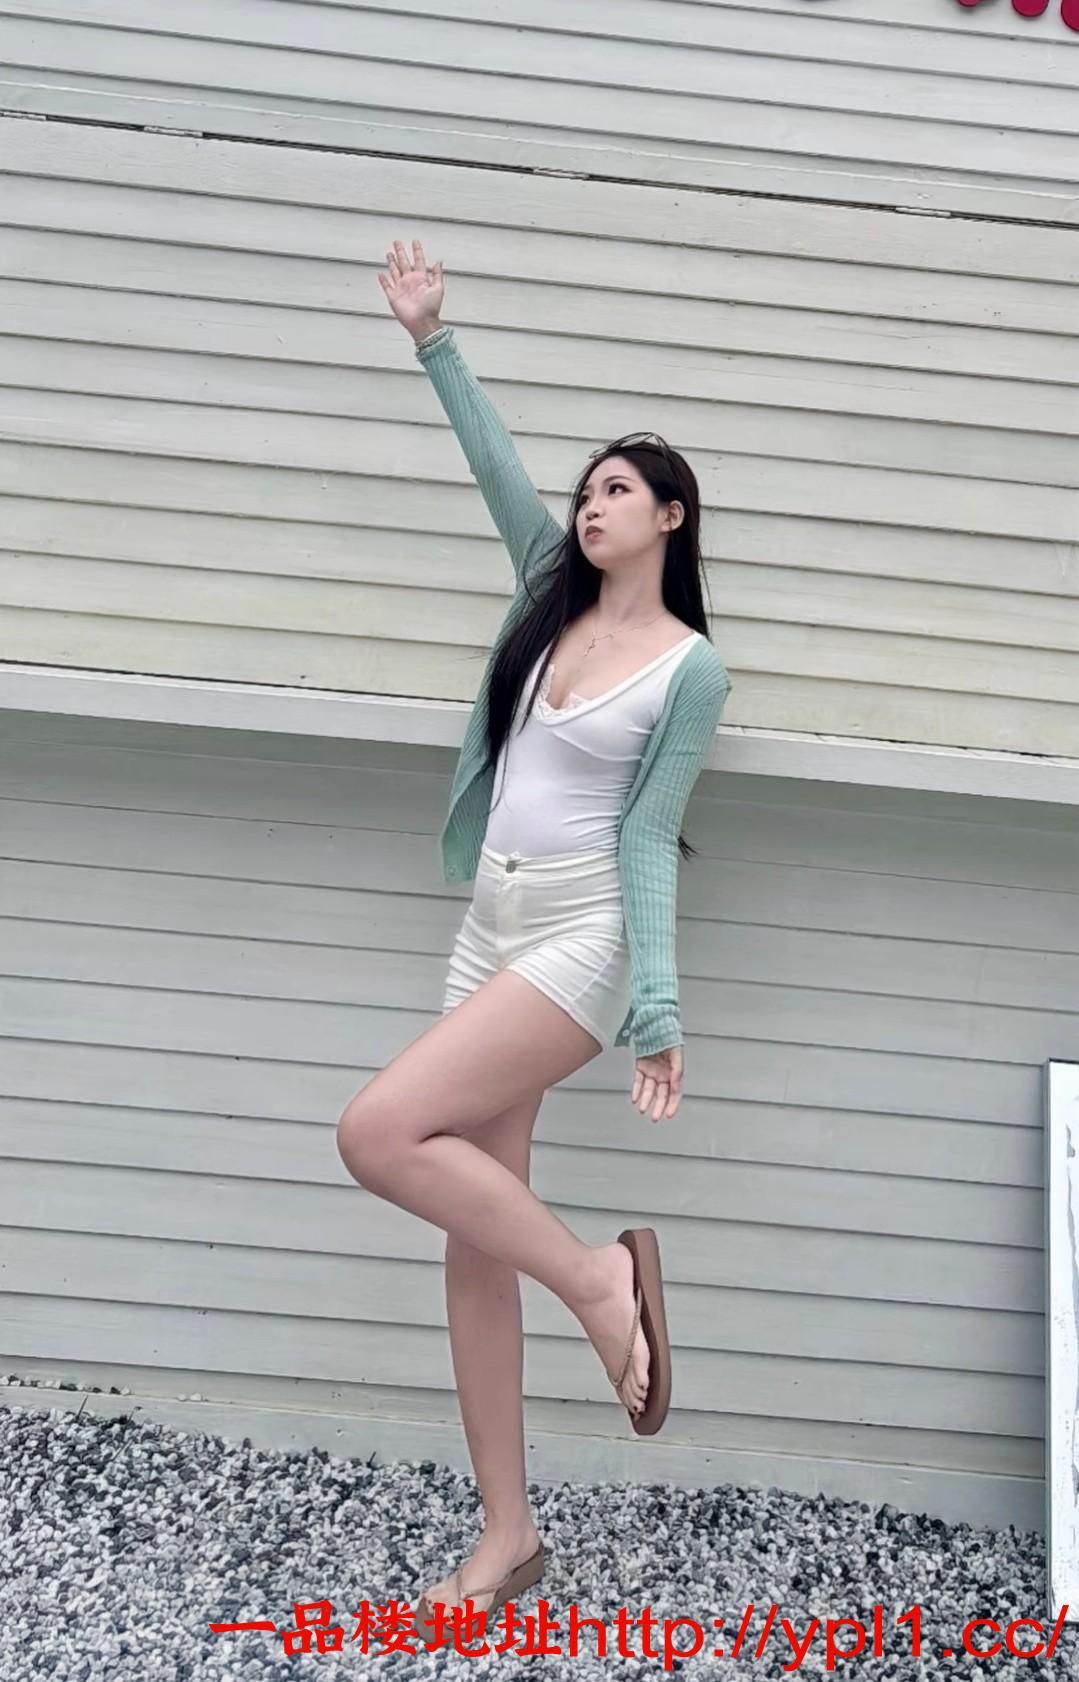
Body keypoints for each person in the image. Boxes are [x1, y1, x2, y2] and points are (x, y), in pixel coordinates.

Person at [336, 239, 733, 1647]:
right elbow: (495, 466)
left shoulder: (690, 668)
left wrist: (658, 1005)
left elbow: (652, 833)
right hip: (489, 919)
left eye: (618, 489)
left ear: (671, 516)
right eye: (587, 492)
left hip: (579, 934)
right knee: (470, 1226)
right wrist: (432, 337)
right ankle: (507, 1534)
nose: (590, 505)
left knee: (377, 1133)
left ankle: (599, 1280)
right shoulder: (545, 591)